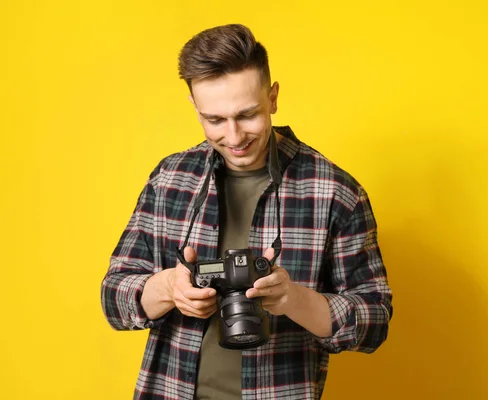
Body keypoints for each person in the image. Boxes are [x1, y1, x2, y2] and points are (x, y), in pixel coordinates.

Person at [101, 23, 392, 400]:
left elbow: (375, 320)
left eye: (248, 115)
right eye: (215, 120)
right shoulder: (170, 178)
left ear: (272, 97)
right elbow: (113, 297)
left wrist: (293, 299)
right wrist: (168, 288)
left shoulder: (335, 191)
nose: (234, 137)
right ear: (194, 106)